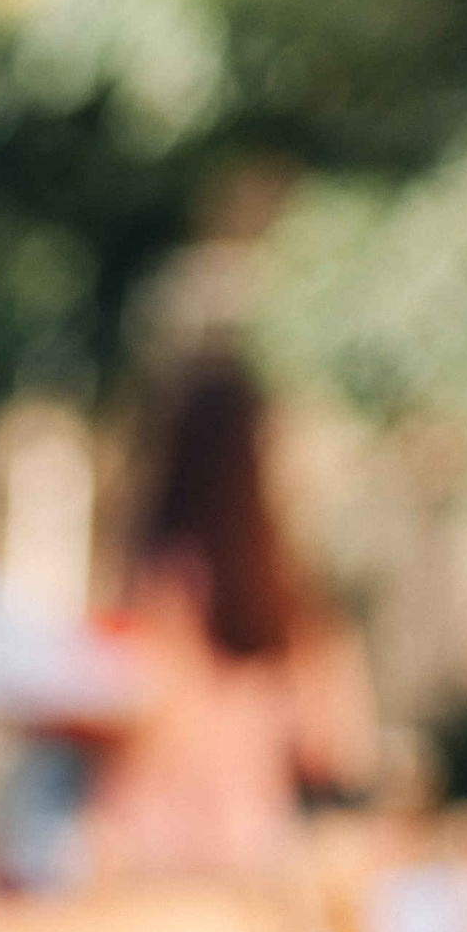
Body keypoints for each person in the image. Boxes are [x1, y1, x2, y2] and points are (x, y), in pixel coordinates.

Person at [79, 357, 374, 880]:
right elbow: (335, 745)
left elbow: (131, 717)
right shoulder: (290, 598)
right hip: (250, 856)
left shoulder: (159, 581)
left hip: (150, 859)